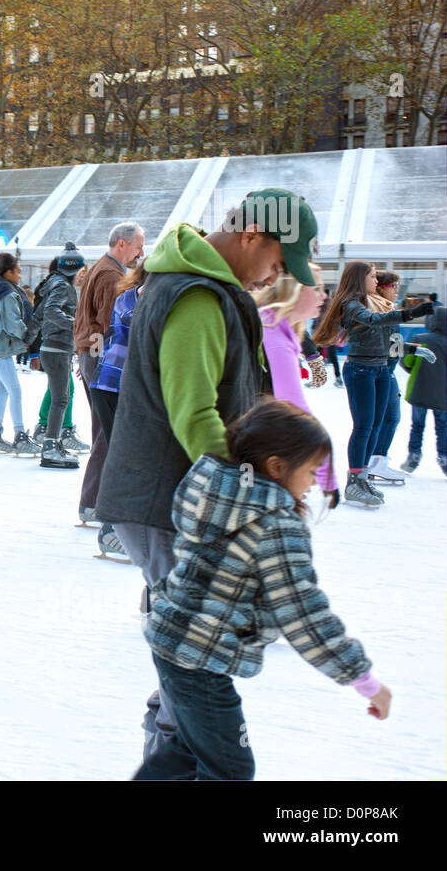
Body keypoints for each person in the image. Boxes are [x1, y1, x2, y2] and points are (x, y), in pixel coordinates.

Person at [96, 188, 320, 758]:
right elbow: (194, 413)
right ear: (251, 237)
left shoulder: (209, 289)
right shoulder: (196, 297)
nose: (275, 277)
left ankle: (176, 750)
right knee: (196, 661)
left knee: (190, 662)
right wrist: (248, 497)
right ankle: (177, 757)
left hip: (178, 496)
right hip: (166, 500)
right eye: (276, 262)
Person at [136, 400, 391, 780]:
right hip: (201, 661)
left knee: (189, 752)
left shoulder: (212, 489)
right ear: (276, 466)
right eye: (310, 471)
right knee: (231, 767)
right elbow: (304, 615)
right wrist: (363, 679)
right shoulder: (275, 526)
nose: (313, 485)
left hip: (172, 644)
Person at [312, 262, 433, 507]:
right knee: (364, 427)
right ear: (359, 278)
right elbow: (374, 321)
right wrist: (411, 313)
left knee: (376, 426)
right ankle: (353, 481)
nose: (376, 282)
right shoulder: (352, 304)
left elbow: (387, 341)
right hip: (360, 371)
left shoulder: (372, 301)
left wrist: (413, 349)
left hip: (379, 369)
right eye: (372, 277)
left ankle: (363, 476)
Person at [255, 261, 340, 507]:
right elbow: (293, 404)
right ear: (293, 290)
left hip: (260, 434)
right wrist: (326, 475)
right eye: (316, 289)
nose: (323, 296)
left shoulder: (281, 326)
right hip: (254, 442)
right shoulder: (272, 330)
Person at [75, 223, 144, 515]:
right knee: (107, 433)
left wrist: (87, 355)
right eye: (139, 245)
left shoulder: (102, 268)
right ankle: (92, 502)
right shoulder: (111, 274)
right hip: (103, 359)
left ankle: (93, 500)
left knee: (103, 430)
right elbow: (109, 323)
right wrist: (95, 358)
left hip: (94, 355)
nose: (142, 252)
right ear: (121, 245)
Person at [28, 242, 85, 469]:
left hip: (53, 347)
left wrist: (27, 339)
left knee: (61, 396)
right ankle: (50, 446)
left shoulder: (54, 284)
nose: (82, 276)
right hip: (57, 347)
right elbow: (51, 311)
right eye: (81, 270)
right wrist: (78, 325)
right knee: (61, 399)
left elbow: (39, 315)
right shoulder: (62, 286)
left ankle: (53, 440)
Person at [0, 252, 37, 456]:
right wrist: (28, 337)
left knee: (3, 392)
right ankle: (20, 435)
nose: (20, 276)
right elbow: (13, 325)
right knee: (15, 391)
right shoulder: (8, 294)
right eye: (19, 271)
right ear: (9, 272)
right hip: (1, 350)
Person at [363, 271, 408, 487]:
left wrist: (409, 349)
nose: (397, 289)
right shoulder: (379, 310)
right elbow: (387, 344)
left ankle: (377, 459)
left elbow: (394, 344)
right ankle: (374, 461)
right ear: (381, 287)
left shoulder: (388, 309)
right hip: (380, 372)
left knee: (389, 417)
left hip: (386, 371)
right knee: (385, 418)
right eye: (393, 286)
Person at [399, 305, 445, 475]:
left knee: (417, 425)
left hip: (420, 389)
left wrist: (412, 369)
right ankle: (445, 456)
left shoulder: (420, 338)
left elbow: (407, 361)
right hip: (443, 394)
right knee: (442, 426)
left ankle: (414, 455)